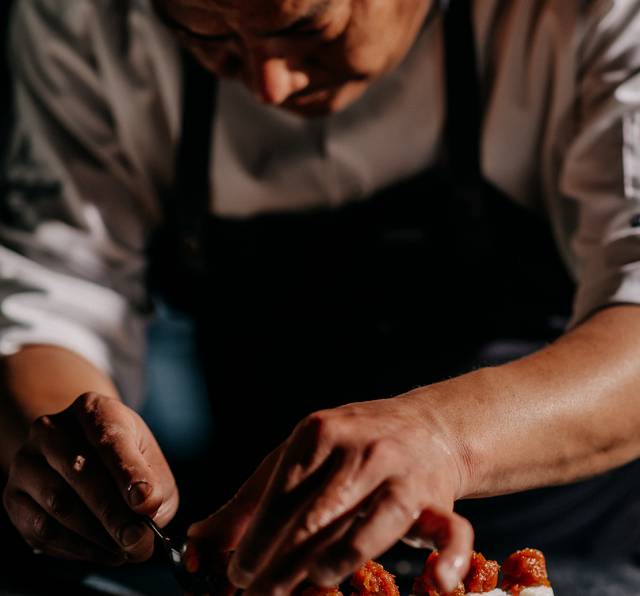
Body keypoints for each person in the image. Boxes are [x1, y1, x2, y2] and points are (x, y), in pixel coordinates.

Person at [1, 0, 640, 593]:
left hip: (571, 549)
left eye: (307, 29)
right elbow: (54, 295)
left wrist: (442, 437)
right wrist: (71, 458)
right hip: (265, 558)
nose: (268, 85)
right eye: (208, 37)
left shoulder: (585, 13)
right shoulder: (83, 15)